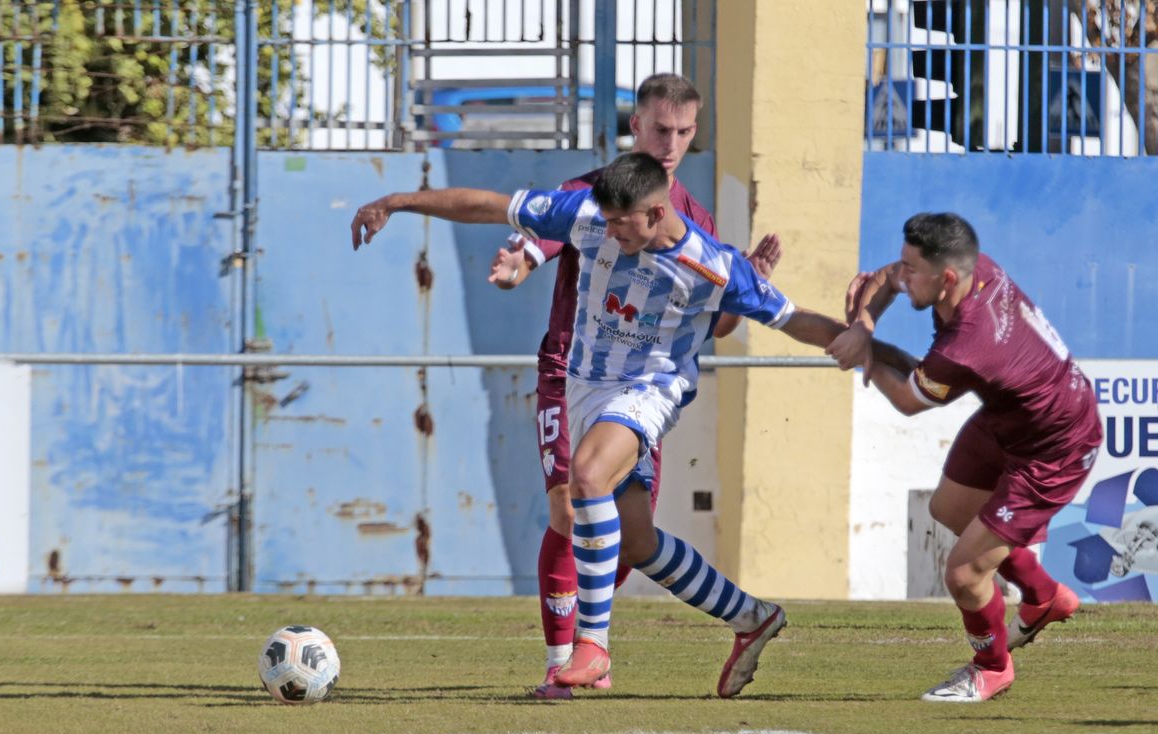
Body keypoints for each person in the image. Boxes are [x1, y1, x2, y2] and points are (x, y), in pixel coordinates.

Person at [352, 152, 850, 697]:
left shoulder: (714, 265)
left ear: (656, 213)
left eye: (621, 223)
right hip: (585, 388)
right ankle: (751, 616)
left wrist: (861, 344)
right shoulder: (587, 214)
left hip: (651, 390)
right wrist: (396, 201)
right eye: (606, 221)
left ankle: (592, 645)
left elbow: (793, 319)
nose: (609, 231)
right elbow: (488, 205)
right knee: (637, 542)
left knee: (586, 477)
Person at [485, 74, 782, 699]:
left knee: (633, 538)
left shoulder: (694, 221)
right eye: (659, 129)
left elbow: (716, 326)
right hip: (569, 371)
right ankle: (566, 663)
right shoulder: (589, 195)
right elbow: (538, 240)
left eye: (683, 132)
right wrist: (518, 262)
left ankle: (747, 616)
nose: (670, 143)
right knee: (570, 506)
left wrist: (747, 290)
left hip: (641, 391)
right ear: (636, 127)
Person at [828, 212, 1099, 702]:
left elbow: (907, 400)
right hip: (1010, 418)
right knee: (949, 509)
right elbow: (885, 278)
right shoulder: (973, 269)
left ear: (947, 279)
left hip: (1056, 446)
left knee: (965, 574)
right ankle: (1044, 596)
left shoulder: (970, 344)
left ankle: (992, 668)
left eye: (912, 270)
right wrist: (865, 325)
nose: (901, 276)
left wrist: (862, 354)